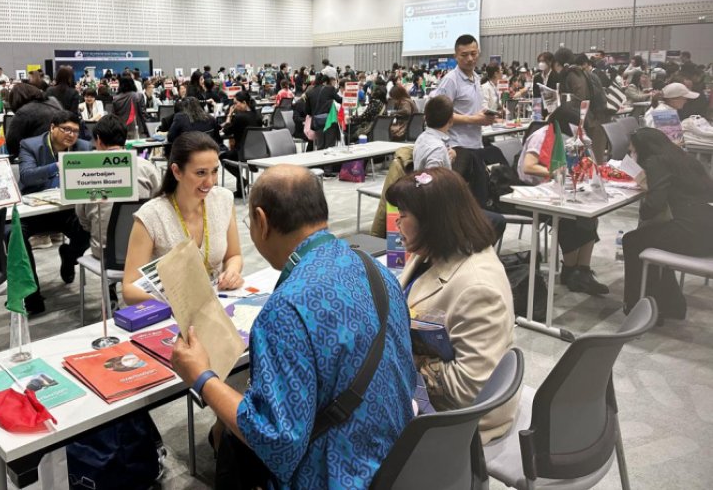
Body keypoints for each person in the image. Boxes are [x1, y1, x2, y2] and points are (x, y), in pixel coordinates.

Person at [170, 164, 424, 487]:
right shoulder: (377, 271)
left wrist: (201, 377)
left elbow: (277, 442)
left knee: (233, 445)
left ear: (261, 221)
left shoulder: (285, 310)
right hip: (402, 462)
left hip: (338, 477)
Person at [386, 167, 516, 443]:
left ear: (431, 221)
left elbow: (470, 389)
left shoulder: (477, 288)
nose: (396, 222)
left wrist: (397, 361)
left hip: (460, 422)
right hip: (425, 395)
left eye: (404, 215)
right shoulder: (432, 251)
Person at [122, 132, 244, 303]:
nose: (210, 182)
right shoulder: (151, 216)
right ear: (177, 171)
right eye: (201, 173)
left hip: (217, 302)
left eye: (215, 171)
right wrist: (177, 303)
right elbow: (129, 290)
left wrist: (232, 271)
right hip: (171, 309)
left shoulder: (223, 199)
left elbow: (234, 255)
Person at [622, 128, 713, 322]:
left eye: (633, 151)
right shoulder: (683, 158)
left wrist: (647, 193)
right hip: (706, 229)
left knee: (632, 241)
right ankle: (670, 303)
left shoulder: (655, 162)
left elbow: (653, 206)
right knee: (650, 237)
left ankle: (640, 308)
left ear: (643, 149)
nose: (632, 156)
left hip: (691, 233)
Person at [516, 109, 609, 295]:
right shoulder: (541, 136)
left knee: (590, 214)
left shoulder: (570, 138)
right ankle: (570, 270)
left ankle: (582, 271)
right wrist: (558, 172)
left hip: (556, 188)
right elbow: (528, 166)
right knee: (569, 218)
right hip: (530, 192)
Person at [17, 111, 92, 312]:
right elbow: (26, 176)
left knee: (90, 226)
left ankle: (69, 257)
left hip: (66, 211)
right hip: (34, 212)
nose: (71, 135)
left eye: (75, 131)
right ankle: (32, 294)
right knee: (14, 233)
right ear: (52, 127)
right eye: (66, 129)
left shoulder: (84, 148)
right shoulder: (30, 146)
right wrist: (57, 166)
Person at [76, 115, 161, 261]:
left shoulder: (88, 170)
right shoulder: (146, 167)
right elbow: (159, 201)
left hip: (105, 253)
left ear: (98, 140)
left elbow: (82, 217)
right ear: (125, 139)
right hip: (145, 250)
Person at [433, 34, 497, 205]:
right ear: (456, 56)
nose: (470, 59)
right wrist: (474, 119)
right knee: (456, 201)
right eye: (464, 55)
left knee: (477, 200)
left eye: (473, 54)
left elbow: (471, 110)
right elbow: (439, 114)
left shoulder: (476, 78)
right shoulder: (450, 81)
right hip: (457, 148)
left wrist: (485, 116)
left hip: (475, 145)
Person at [220, 92, 262, 196]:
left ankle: (242, 180)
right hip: (257, 151)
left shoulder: (239, 117)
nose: (234, 106)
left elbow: (226, 131)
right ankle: (240, 189)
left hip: (242, 153)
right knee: (233, 153)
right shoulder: (257, 115)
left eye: (236, 103)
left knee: (222, 156)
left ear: (244, 103)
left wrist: (229, 115)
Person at [6, 83, 63, 159]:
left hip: (41, 157)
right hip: (64, 153)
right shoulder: (53, 101)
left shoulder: (24, 111)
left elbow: (12, 143)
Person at [413, 95, 456, 170]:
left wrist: (447, 158)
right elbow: (434, 176)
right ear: (451, 120)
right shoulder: (438, 149)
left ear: (425, 118)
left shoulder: (421, 137)